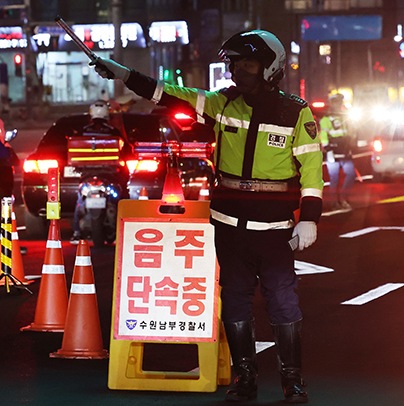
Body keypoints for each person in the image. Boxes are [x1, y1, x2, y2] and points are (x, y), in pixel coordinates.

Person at [94, 30, 323, 403]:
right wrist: (122, 73)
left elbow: (312, 170)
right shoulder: (221, 103)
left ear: (270, 68)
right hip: (228, 223)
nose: (239, 71)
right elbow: (166, 92)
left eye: (248, 64)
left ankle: (292, 380)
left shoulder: (296, 112)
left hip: (275, 227)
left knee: (283, 300)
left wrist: (309, 217)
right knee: (232, 297)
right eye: (235, 64)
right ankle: (244, 377)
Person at [71, 100, 125, 244]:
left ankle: (76, 232)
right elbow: (124, 149)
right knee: (120, 198)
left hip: (87, 174)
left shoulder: (82, 131)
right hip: (109, 174)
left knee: (79, 199)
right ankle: (123, 230)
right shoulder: (113, 131)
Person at [319, 93, 356, 211]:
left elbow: (347, 133)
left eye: (340, 102)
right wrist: (328, 149)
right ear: (332, 103)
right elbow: (323, 135)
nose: (339, 104)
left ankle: (344, 199)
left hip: (344, 151)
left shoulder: (343, 116)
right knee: (334, 178)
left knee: (351, 174)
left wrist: (350, 143)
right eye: (337, 102)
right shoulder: (326, 119)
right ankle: (335, 202)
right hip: (333, 152)